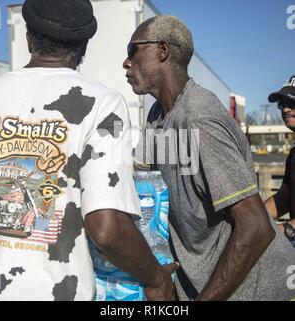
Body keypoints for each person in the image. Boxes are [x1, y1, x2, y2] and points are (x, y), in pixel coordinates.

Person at [0, 0, 177, 301]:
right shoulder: (103, 103)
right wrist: (157, 280)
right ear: (84, 47)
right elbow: (106, 229)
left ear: (28, 38)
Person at [123, 15, 295, 301]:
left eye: (133, 51)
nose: (126, 62)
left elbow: (256, 227)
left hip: (251, 291)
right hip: (203, 284)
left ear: (162, 50)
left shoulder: (198, 117)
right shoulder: (157, 117)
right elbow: (134, 181)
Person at [265, 76, 295, 248]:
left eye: (292, 103)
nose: (285, 110)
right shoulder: (293, 154)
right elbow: (284, 198)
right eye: (282, 104)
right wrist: (253, 218)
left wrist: (285, 228)